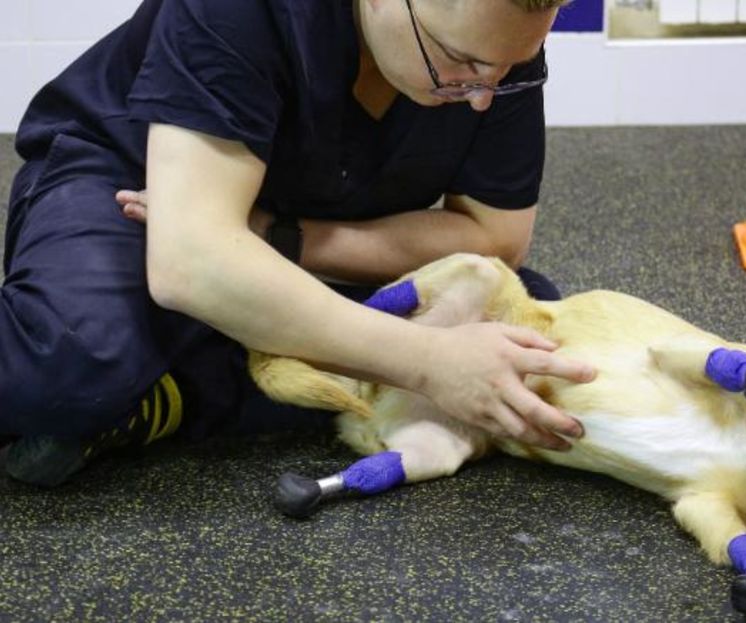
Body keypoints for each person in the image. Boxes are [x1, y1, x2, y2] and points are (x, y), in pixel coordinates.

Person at [0, 0, 597, 488]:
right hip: (133, 190)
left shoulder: (492, 46)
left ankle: (172, 389)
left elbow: (494, 239)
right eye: (458, 66)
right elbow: (188, 262)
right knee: (68, 362)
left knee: (517, 322)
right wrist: (429, 361)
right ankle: (170, 372)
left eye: (508, 71)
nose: (482, 97)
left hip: (289, 220)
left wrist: (274, 240)